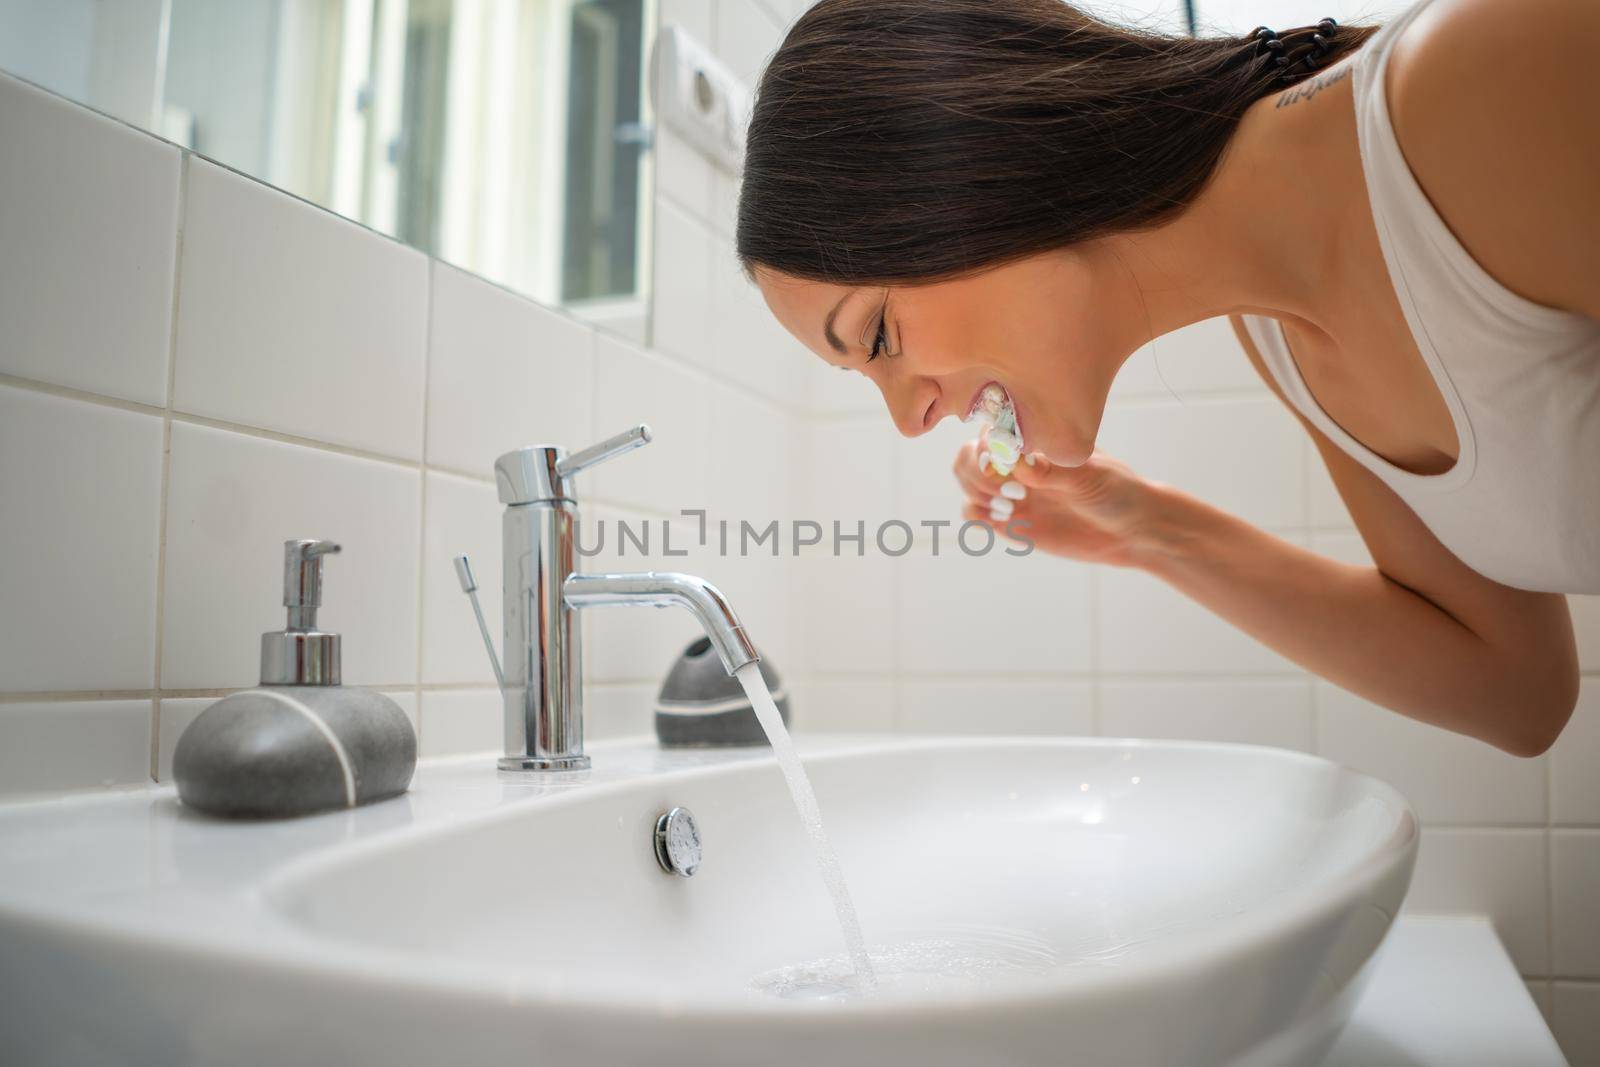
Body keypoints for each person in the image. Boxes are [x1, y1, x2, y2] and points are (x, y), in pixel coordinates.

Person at [736, 0, 1600, 756]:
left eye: (877, 333)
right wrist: (1144, 529)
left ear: (969, 160)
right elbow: (1516, 692)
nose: (909, 418)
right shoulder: (1279, 337)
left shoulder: (1473, 85)